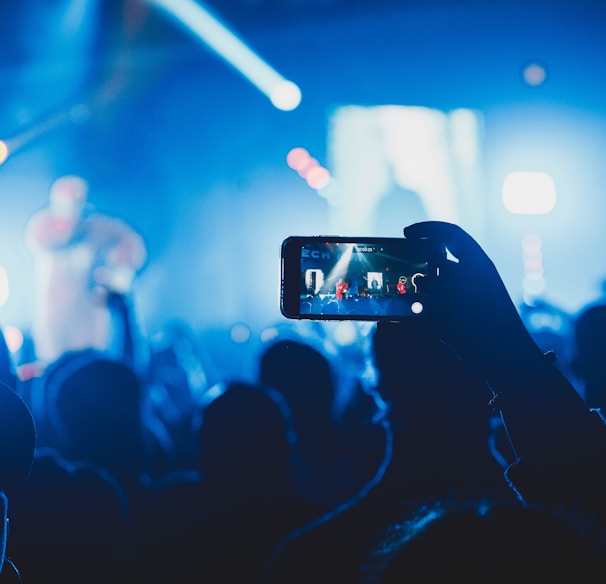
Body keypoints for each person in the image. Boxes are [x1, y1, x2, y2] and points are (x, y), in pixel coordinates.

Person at [262, 221, 606, 582]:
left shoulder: (310, 559)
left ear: (375, 385)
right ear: (482, 383)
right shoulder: (558, 538)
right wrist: (511, 354)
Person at [23, 175, 147, 369]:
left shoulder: (99, 229)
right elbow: (49, 238)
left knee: (89, 372)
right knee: (55, 370)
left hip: (90, 322)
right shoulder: (42, 226)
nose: (70, 210)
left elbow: (132, 247)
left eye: (75, 202)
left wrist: (118, 274)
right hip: (53, 321)